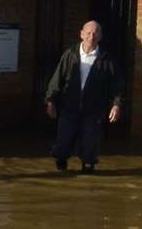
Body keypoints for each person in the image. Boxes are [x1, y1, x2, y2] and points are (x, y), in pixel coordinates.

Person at [45, 20, 123, 172]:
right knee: (63, 144)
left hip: (93, 110)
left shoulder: (107, 59)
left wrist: (116, 104)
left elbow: (117, 85)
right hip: (69, 106)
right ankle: (61, 168)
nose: (91, 36)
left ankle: (88, 174)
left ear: (100, 36)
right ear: (81, 34)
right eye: (88, 33)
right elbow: (57, 79)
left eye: (95, 33)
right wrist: (50, 101)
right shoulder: (70, 54)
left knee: (89, 146)